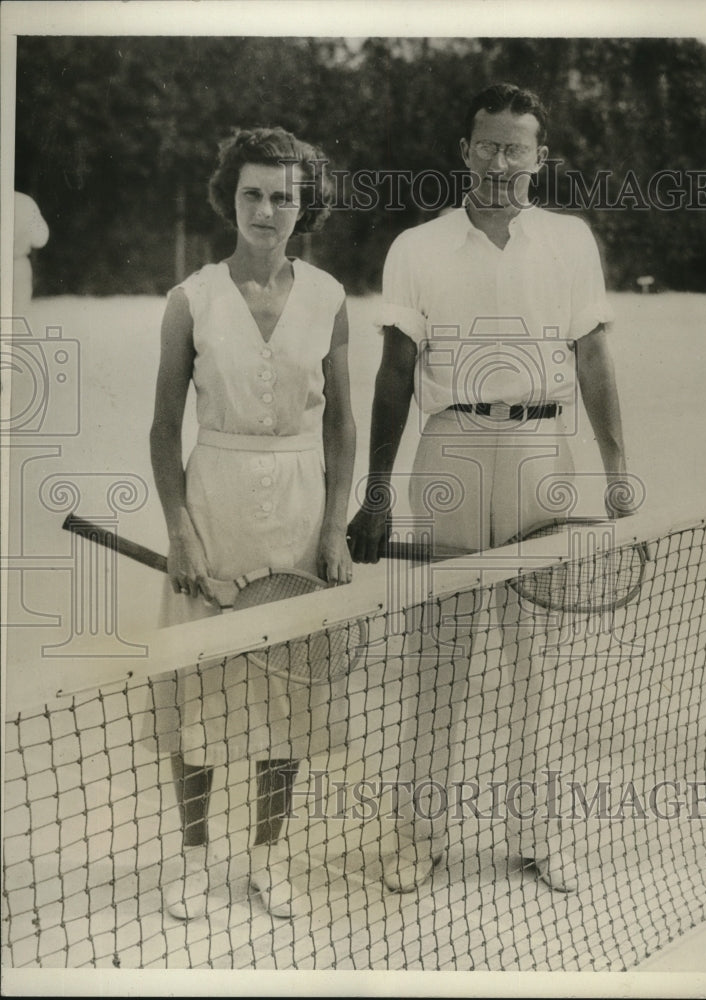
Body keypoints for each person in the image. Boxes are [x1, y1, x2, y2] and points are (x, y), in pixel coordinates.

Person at [347, 83, 631, 895]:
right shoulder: (416, 246)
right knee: (438, 660)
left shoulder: (571, 242)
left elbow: (593, 357)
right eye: (487, 146)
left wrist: (616, 469)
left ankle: (538, 836)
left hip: (545, 451)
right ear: (464, 152)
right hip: (450, 454)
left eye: (516, 148)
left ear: (540, 160)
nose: (500, 163)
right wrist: (376, 492)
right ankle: (418, 837)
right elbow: (394, 372)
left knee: (534, 666)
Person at [146, 126, 355, 921]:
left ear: (306, 205)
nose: (268, 210)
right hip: (214, 504)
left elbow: (340, 423)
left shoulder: (330, 297)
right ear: (229, 198)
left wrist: (334, 525)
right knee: (199, 690)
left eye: (284, 196)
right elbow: (164, 429)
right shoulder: (189, 299)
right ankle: (194, 861)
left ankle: (267, 858)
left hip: (301, 510)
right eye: (254, 194)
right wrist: (180, 532)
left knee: (287, 695)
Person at [13, 191, 49, 313]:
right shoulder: (24, 202)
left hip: (17, 265)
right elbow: (40, 239)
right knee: (16, 319)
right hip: (17, 266)